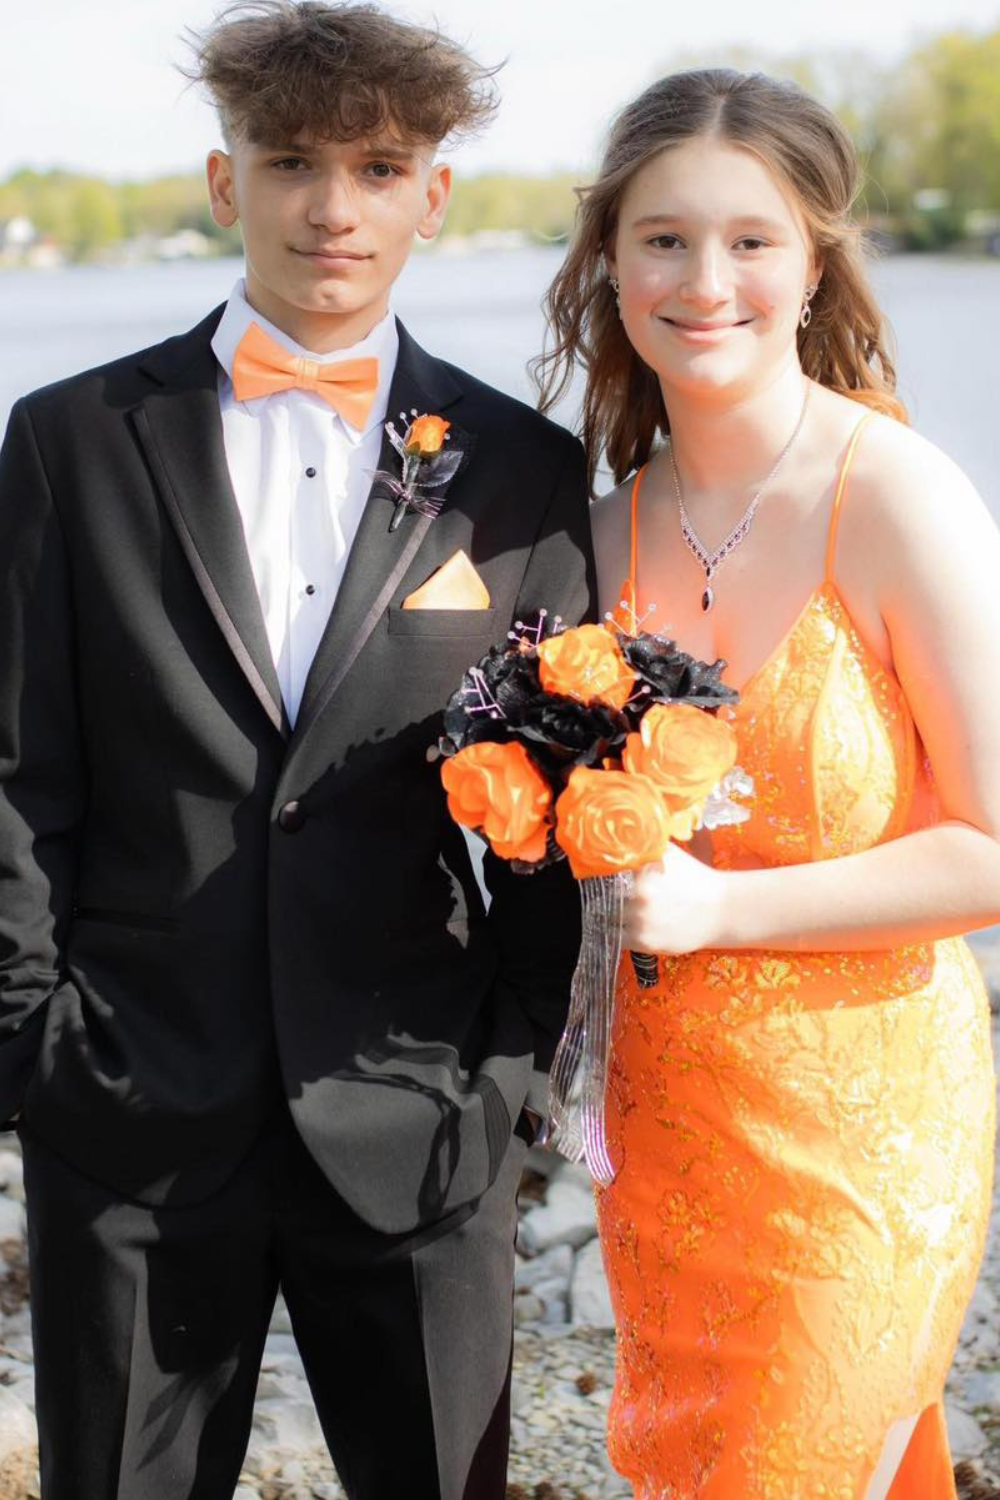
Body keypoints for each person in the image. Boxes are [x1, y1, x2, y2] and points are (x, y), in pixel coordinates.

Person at [0, 4, 594, 1496]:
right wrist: (40, 1052)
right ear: (226, 183)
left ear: (432, 197)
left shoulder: (522, 468)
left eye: (380, 167)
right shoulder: (69, 438)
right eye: (291, 162)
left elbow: (558, 803)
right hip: (129, 1111)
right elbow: (18, 772)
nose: (334, 207)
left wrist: (503, 1067)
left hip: (413, 1113)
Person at [538, 67, 1000, 1499]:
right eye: (663, 238)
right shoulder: (590, 537)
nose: (705, 279)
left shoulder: (896, 496)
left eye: (751, 239)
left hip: (868, 1129)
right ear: (609, 263)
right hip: (668, 1134)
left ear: (812, 265)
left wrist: (724, 916)